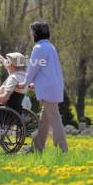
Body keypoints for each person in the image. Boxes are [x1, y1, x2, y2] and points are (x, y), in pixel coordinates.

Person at [18, 21, 68, 153]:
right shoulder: (50, 47)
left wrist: (25, 82)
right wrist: (34, 83)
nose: (30, 35)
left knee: (55, 120)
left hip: (48, 90)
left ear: (35, 33)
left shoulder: (39, 48)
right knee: (44, 121)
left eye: (31, 33)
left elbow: (33, 68)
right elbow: (47, 71)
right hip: (53, 87)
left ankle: (63, 149)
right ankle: (37, 148)